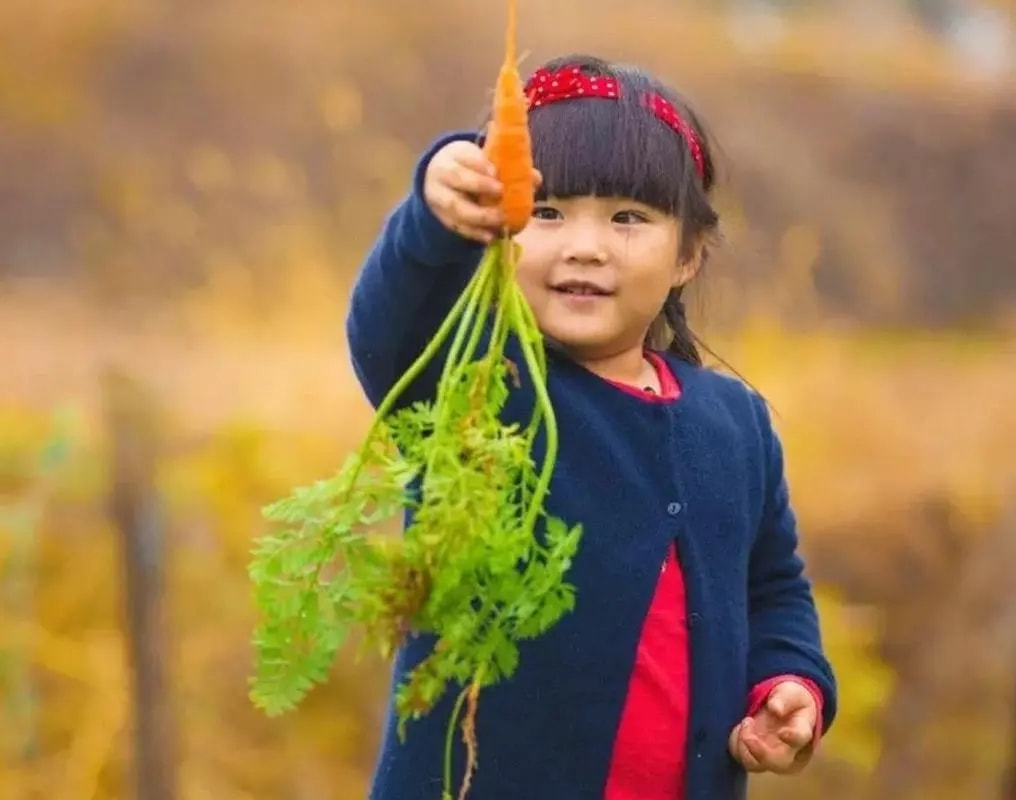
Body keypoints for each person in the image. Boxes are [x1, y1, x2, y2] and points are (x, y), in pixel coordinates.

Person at [347, 53, 837, 800]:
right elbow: (391, 329)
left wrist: (789, 679)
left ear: (688, 257)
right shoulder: (478, 384)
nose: (584, 245)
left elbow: (772, 586)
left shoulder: (735, 424)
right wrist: (434, 216)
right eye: (546, 212)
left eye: (628, 218)